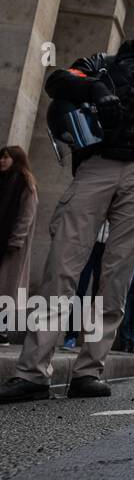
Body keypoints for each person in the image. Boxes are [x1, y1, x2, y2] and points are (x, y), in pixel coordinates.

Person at [1, 0, 134, 403]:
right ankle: (32, 373)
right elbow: (57, 81)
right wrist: (95, 90)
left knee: (115, 277)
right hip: (97, 166)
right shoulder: (103, 64)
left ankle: (89, 371)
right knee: (62, 267)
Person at [0, 146, 38, 346]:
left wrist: (16, 240)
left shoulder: (25, 184)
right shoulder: (3, 182)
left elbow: (27, 215)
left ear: (17, 160)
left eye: (6, 158)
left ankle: (2, 331)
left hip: (13, 247)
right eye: (1, 157)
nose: (2, 161)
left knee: (7, 290)